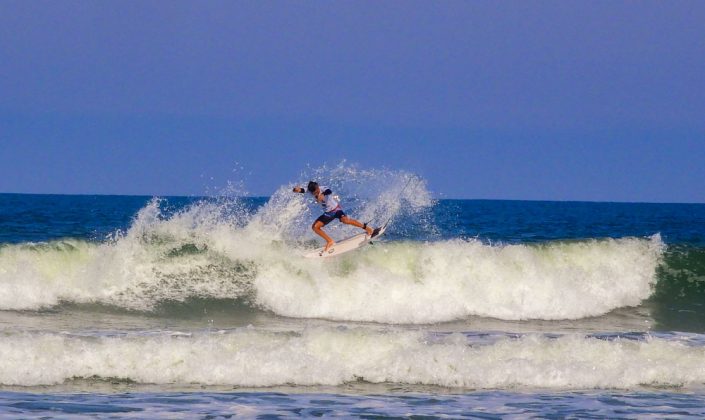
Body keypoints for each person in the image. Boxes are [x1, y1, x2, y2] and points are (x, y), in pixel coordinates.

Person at [293, 181, 380, 253]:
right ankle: (330, 241)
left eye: (317, 190)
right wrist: (297, 190)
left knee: (345, 220)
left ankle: (368, 229)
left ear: (318, 186)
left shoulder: (323, 189)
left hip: (336, 209)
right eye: (314, 192)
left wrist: (322, 194)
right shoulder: (311, 191)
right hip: (328, 213)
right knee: (315, 227)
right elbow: (303, 190)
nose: (316, 192)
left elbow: (329, 191)